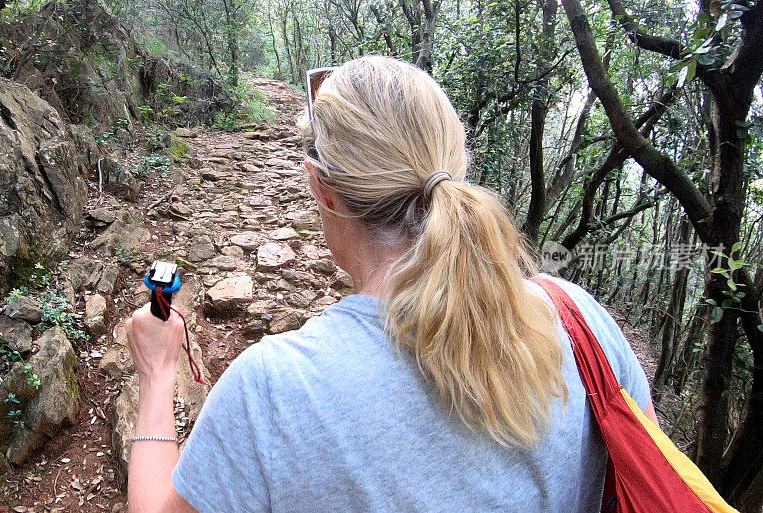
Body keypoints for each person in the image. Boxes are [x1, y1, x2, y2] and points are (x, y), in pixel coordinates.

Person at [125, 55, 658, 513]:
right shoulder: (583, 324)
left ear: (323, 189)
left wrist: (157, 371)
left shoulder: (271, 391)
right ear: (456, 161)